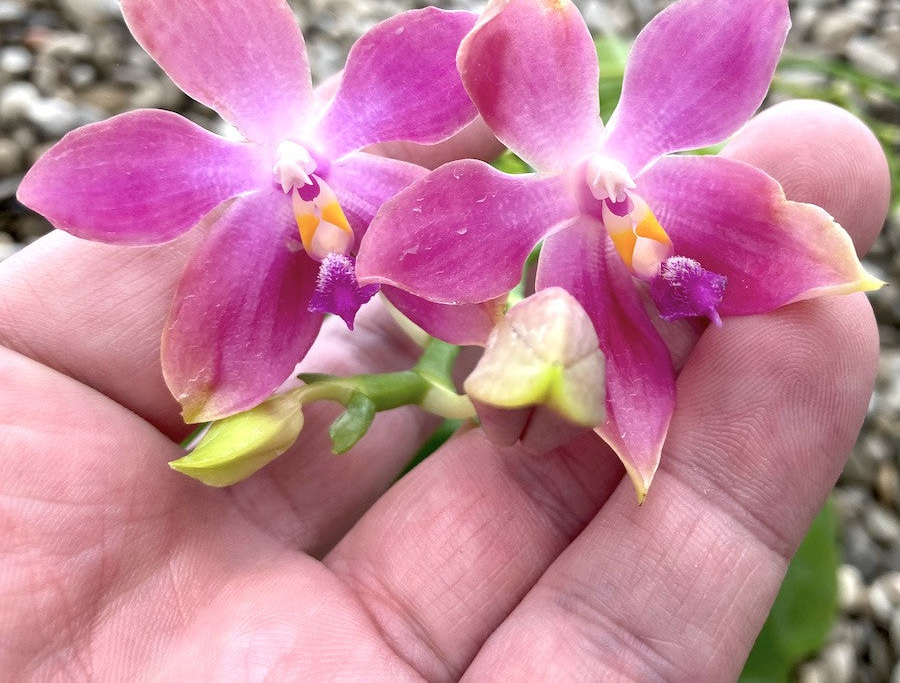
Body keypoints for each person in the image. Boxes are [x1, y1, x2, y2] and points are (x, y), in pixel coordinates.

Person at [0, 99, 889, 679]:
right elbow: (397, 266)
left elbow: (445, 279)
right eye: (307, 203)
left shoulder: (455, 241)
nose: (317, 207)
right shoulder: (409, 228)